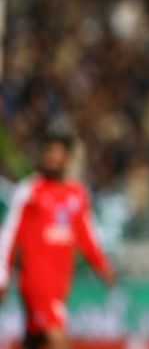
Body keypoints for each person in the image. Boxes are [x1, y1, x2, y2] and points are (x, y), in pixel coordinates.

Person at [0, 134, 116, 349]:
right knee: (58, 339)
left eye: (58, 153)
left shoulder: (77, 194)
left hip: (60, 283)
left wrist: (102, 266)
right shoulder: (30, 190)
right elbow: (9, 235)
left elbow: (86, 236)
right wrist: (2, 275)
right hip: (36, 281)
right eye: (49, 152)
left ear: (67, 158)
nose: (53, 158)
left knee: (36, 341)